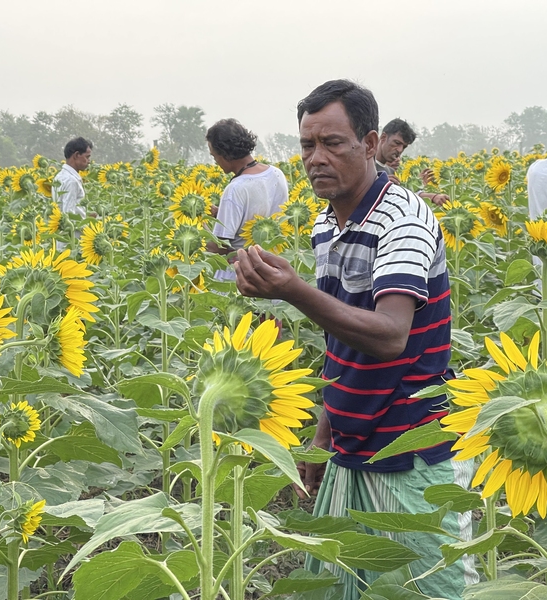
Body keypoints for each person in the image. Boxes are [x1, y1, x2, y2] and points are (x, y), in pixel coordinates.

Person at [234, 79, 477, 599]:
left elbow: (390, 336)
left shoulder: (403, 219)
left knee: (425, 589)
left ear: (369, 144)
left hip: (413, 449)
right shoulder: (328, 223)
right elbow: (342, 339)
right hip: (353, 444)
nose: (316, 158)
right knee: (342, 588)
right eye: (307, 145)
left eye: (333, 143)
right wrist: (324, 432)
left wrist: (292, 290)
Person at [205, 119, 288, 280]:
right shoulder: (277, 174)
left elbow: (220, 247)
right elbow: (260, 213)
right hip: (273, 269)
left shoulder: (236, 189)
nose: (215, 161)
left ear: (224, 153)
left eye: (214, 155)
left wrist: (203, 223)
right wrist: (222, 215)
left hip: (240, 276)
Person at [376, 118, 449, 206]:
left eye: (404, 147)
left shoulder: (391, 172)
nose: (400, 150)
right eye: (397, 143)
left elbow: (403, 198)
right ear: (383, 138)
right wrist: (378, 186)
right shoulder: (365, 165)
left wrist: (433, 196)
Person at [53, 137, 93, 218]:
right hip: (74, 230)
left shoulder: (59, 176)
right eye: (87, 157)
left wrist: (87, 216)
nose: (89, 161)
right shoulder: (72, 181)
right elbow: (69, 215)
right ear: (77, 155)